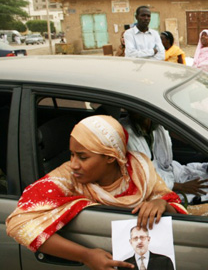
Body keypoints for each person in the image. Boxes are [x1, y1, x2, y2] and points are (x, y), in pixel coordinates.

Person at [6, 115, 187, 270]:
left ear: (110, 157)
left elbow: (174, 204)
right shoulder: (68, 177)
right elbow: (18, 223)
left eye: (83, 157)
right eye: (72, 154)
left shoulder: (140, 169)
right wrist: (85, 255)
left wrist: (162, 204)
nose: (74, 164)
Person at [120, 112, 208, 205]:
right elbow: (144, 180)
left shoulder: (156, 123)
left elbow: (183, 137)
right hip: (163, 188)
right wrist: (181, 187)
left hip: (176, 172)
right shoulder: (127, 135)